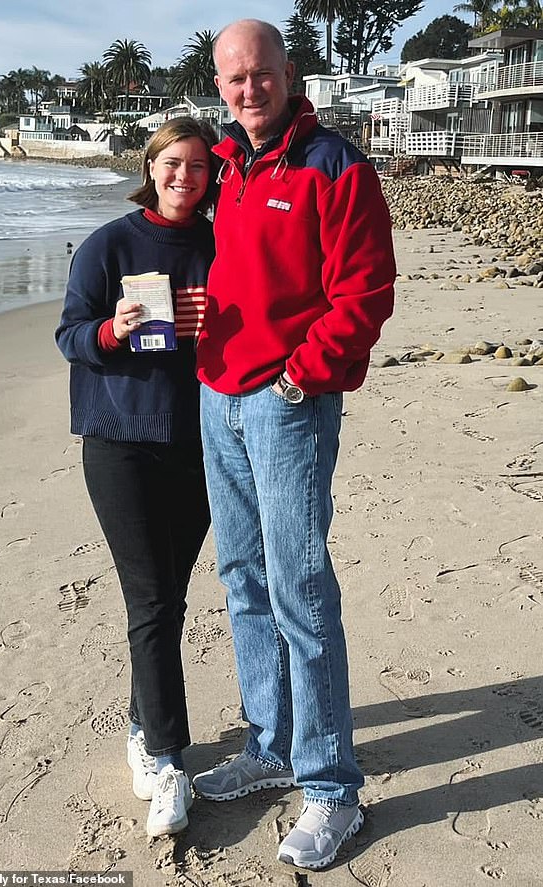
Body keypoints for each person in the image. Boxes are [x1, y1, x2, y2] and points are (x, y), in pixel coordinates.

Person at [193, 20, 396, 871]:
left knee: (301, 593)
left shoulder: (332, 164)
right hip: (218, 398)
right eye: (234, 80)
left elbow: (368, 289)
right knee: (242, 580)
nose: (248, 90)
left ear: (288, 73)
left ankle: (331, 788)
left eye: (261, 74)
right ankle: (271, 744)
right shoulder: (227, 168)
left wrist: (300, 374)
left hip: (287, 405)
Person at [55, 116, 217, 838]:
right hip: (119, 444)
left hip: (201, 443)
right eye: (172, 163)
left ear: (213, 176)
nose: (185, 175)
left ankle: (138, 722)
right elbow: (70, 334)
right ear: (150, 167)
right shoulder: (109, 244)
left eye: (199, 165)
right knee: (151, 599)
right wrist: (114, 330)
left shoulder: (220, 245)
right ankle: (168, 759)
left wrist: (223, 320)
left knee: (169, 601)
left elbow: (253, 325)